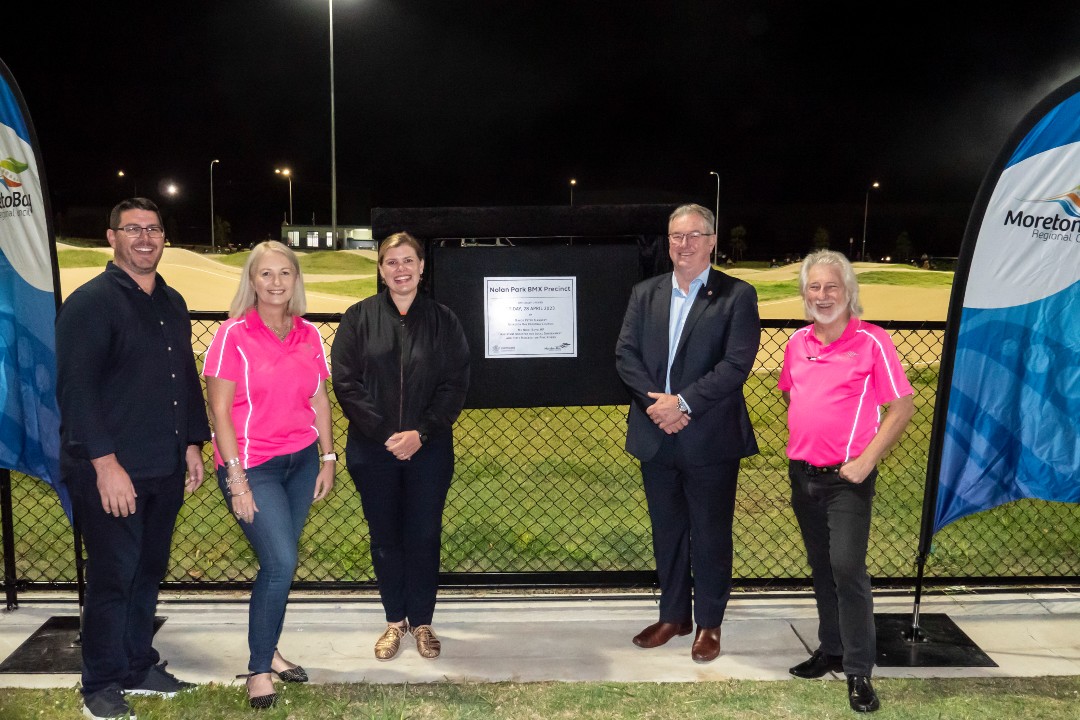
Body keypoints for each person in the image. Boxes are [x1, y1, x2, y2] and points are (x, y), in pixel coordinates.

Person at [56, 197, 211, 720]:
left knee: (147, 571)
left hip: (162, 466)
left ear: (164, 237)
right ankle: (100, 683)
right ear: (112, 237)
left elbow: (183, 379)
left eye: (154, 229)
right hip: (111, 471)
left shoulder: (170, 300)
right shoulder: (90, 303)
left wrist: (192, 442)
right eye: (133, 229)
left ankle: (137, 666)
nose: (145, 239)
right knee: (112, 577)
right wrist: (105, 465)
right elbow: (76, 393)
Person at [615, 203, 761, 663]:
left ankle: (709, 624)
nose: (684, 244)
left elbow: (736, 364)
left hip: (710, 438)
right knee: (668, 531)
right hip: (656, 434)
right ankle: (674, 616)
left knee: (711, 534)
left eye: (694, 235)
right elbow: (625, 355)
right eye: (677, 236)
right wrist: (658, 405)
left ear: (712, 241)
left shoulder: (737, 295)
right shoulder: (646, 293)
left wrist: (683, 403)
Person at [779, 250, 915, 713]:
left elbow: (902, 409)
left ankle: (858, 670)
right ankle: (830, 648)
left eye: (831, 286)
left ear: (848, 292)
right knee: (821, 568)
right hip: (803, 476)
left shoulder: (872, 341)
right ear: (804, 294)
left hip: (847, 480)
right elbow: (793, 398)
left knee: (847, 569)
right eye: (814, 287)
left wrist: (864, 460)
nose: (822, 295)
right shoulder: (796, 342)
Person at [203, 240, 336, 709]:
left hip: (300, 462)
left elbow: (318, 399)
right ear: (252, 281)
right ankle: (260, 669)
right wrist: (236, 479)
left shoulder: (309, 335)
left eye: (285, 273)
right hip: (252, 466)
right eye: (266, 274)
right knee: (280, 563)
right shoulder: (232, 335)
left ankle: (271, 651)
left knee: (277, 565)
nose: (276, 282)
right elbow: (218, 412)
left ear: (296, 279)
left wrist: (328, 458)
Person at [331, 231, 470, 662]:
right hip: (373, 449)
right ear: (380, 269)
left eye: (408, 261)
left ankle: (423, 621)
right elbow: (346, 382)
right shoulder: (358, 317)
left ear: (422, 267)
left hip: (428, 449)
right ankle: (395, 620)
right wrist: (387, 433)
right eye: (391, 262)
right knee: (385, 535)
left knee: (424, 534)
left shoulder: (444, 320)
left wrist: (420, 434)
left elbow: (455, 384)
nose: (401, 270)